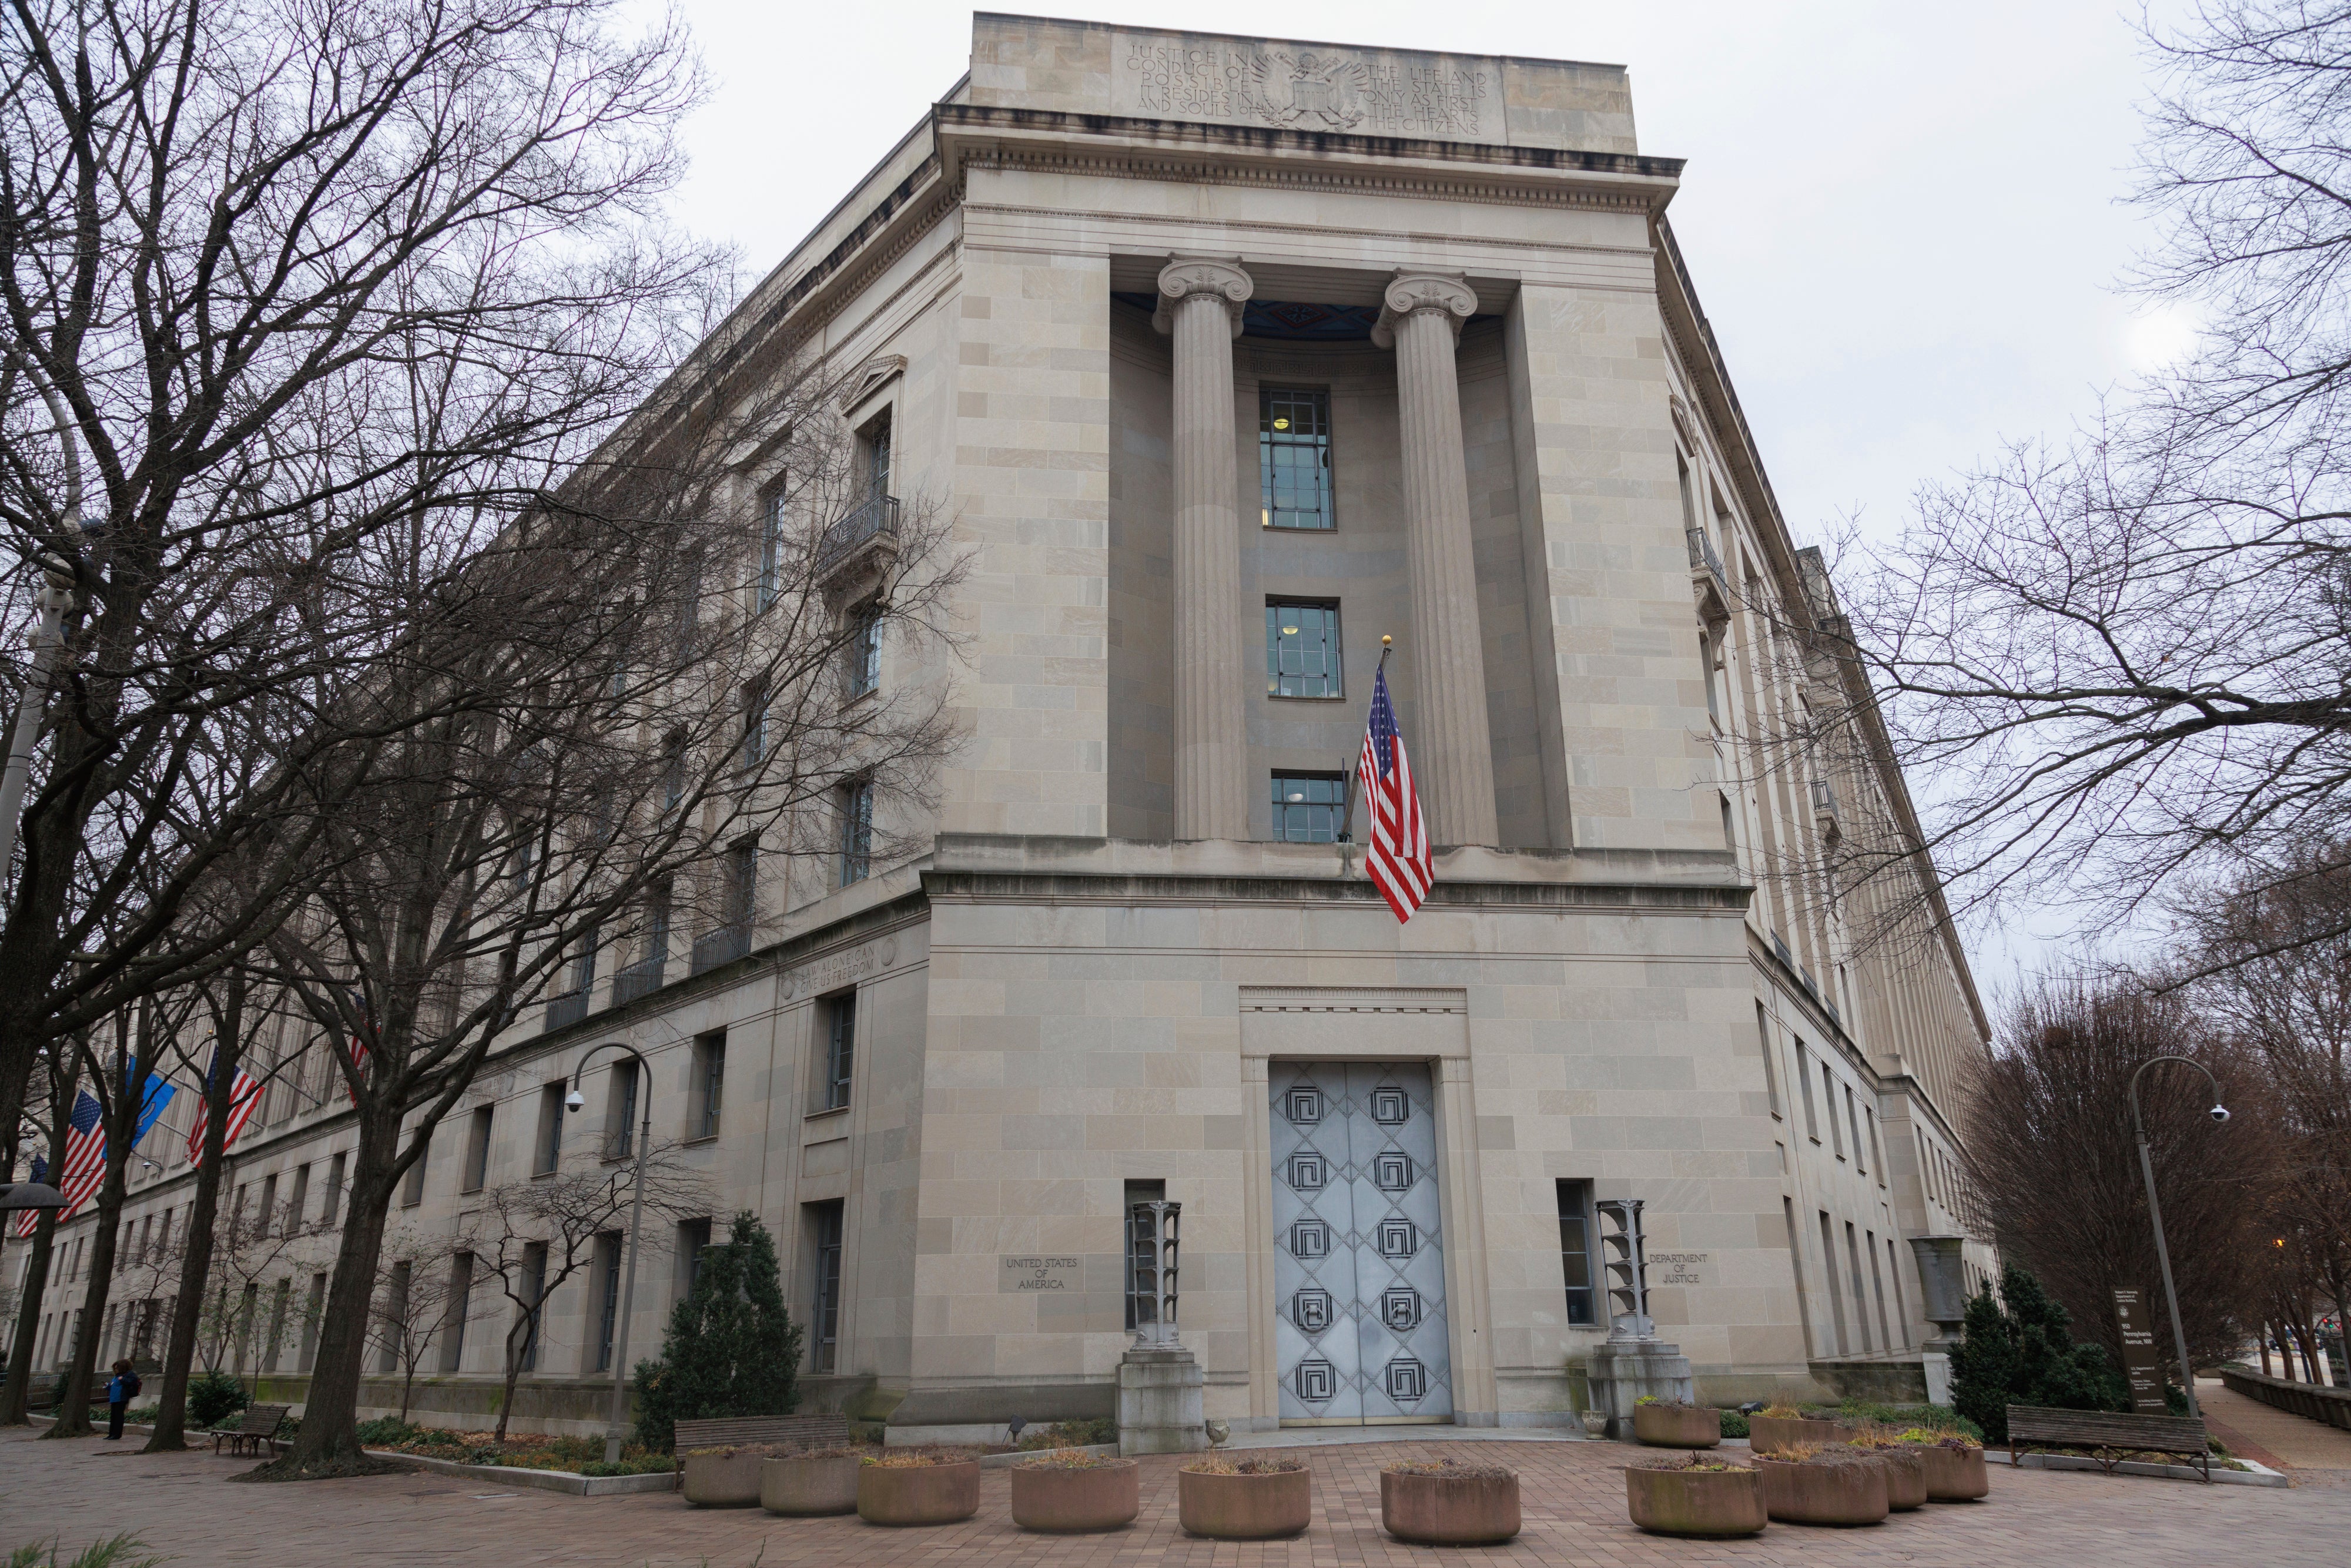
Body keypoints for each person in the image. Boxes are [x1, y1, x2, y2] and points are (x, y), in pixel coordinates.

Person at [105, 1359, 141, 1440]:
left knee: (118, 1417)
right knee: (113, 1417)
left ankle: (117, 1434)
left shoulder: (129, 1375)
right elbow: (114, 1386)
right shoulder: (116, 1377)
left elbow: (132, 1382)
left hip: (121, 1398)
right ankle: (111, 1434)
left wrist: (123, 1379)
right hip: (114, 1398)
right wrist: (108, 1387)